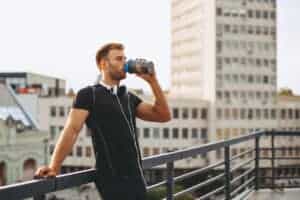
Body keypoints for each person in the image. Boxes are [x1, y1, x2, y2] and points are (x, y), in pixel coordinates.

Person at [34, 42, 171, 200]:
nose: (124, 63)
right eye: (119, 59)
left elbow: (163, 115)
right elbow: (71, 130)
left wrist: (153, 82)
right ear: (103, 64)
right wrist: (54, 167)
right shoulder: (88, 94)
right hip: (112, 182)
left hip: (137, 179)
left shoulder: (128, 97)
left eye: (125, 58)